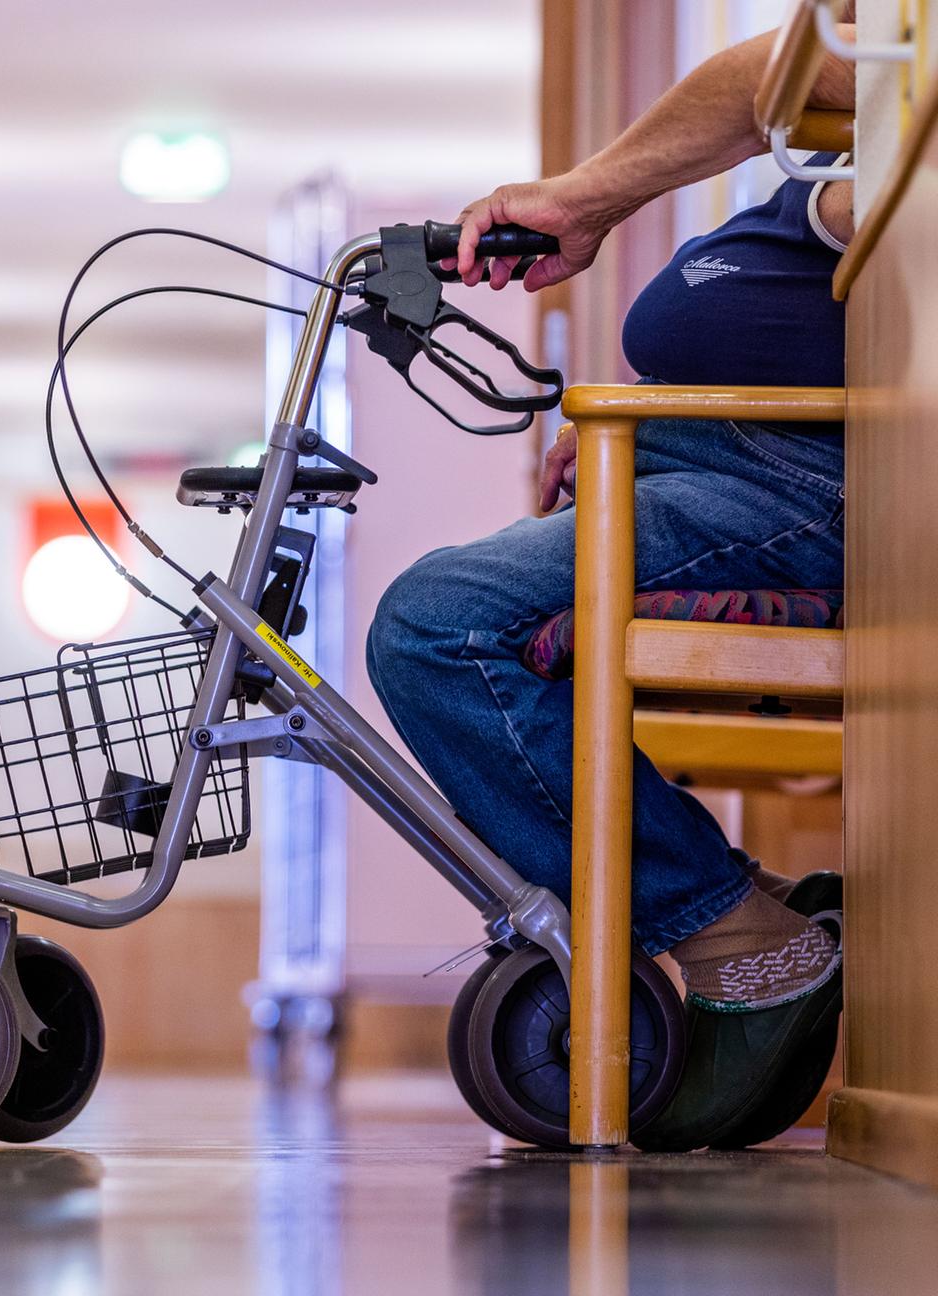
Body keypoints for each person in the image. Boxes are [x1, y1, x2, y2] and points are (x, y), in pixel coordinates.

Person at [366, 16, 856, 1152]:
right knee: (444, 614)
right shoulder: (848, 104)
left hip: (787, 485)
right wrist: (586, 202)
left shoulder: (892, 164)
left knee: (440, 626)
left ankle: (742, 937)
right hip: (700, 462)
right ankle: (738, 916)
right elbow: (769, 77)